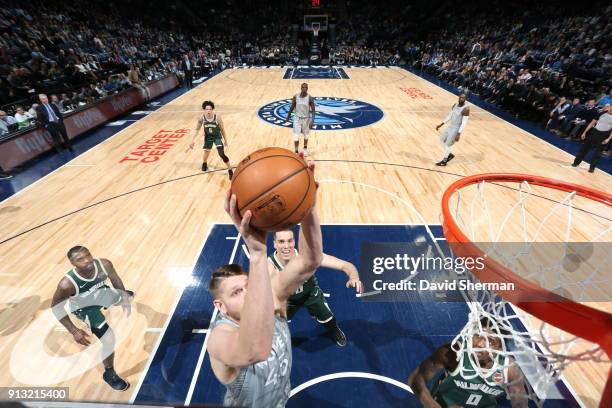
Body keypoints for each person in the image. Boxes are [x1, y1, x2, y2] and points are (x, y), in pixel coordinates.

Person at [206, 167, 322, 407]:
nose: (249, 294)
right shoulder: (219, 338)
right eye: (236, 292)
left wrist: (307, 207)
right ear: (221, 306)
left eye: (248, 285)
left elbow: (310, 261)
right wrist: (258, 254)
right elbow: (253, 350)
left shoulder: (272, 299)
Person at [51, 246, 134, 391]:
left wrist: (124, 297)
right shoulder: (67, 284)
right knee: (109, 339)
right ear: (73, 263)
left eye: (88, 255)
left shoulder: (104, 264)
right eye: (80, 259)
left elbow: (115, 278)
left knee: (123, 294)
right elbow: (56, 307)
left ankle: (117, 298)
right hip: (85, 308)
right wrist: (74, 330)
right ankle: (109, 373)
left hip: (101, 293)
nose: (87, 260)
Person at [268, 229, 363, 346]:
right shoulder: (269, 266)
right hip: (287, 300)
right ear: (274, 244)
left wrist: (354, 277)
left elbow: (346, 265)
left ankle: (334, 329)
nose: (286, 246)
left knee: (328, 319)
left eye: (289, 241)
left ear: (294, 242)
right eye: (281, 241)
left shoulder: (308, 257)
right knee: (276, 324)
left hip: (310, 294)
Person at [408, 318, 528, 408]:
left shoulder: (509, 369)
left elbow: (520, 404)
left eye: (490, 342)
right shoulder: (454, 353)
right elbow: (415, 378)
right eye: (478, 335)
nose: (480, 344)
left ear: (500, 348)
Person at [188, 100, 233, 180]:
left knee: (221, 153)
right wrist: (192, 140)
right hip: (208, 137)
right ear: (204, 110)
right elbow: (197, 129)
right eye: (206, 109)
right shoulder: (202, 118)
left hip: (217, 137)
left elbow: (222, 129)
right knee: (206, 153)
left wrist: (225, 140)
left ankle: (230, 169)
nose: (208, 111)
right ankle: (204, 163)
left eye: (210, 109)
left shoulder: (217, 117)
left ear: (212, 109)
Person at [571, 103, 612, 173]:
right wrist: (585, 132)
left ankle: (592, 168)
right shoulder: (601, 113)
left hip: (604, 135)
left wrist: (608, 139)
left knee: (598, 153)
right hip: (594, 132)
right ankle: (576, 163)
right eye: (610, 106)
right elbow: (592, 123)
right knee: (584, 148)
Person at [435, 93, 470, 166]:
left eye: (463, 98)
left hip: (456, 128)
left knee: (447, 145)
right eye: (460, 97)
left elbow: (464, 123)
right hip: (451, 126)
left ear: (465, 99)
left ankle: (444, 161)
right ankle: (449, 154)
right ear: (458, 97)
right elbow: (450, 115)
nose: (461, 99)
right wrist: (441, 124)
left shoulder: (466, 109)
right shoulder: (455, 105)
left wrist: (459, 134)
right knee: (441, 140)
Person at [287, 83, 315, 156]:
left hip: (306, 119)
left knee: (306, 136)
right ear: (301, 88)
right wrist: (288, 116)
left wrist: (312, 120)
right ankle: (296, 151)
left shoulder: (310, 98)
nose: (304, 88)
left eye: (305, 87)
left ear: (307, 88)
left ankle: (305, 149)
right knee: (296, 136)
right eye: (303, 87)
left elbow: (313, 110)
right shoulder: (296, 96)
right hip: (297, 118)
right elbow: (292, 106)